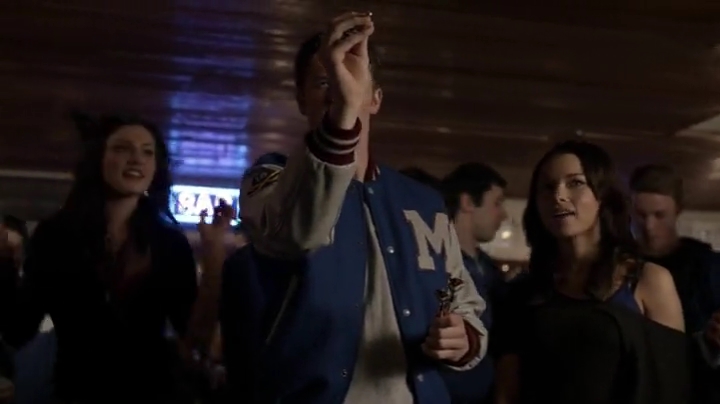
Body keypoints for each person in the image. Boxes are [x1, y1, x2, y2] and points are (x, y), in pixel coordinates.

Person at [220, 12, 487, 404]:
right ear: (301, 99)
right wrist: (342, 117)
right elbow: (296, 232)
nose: (337, 92)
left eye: (351, 79)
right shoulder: (271, 181)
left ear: (375, 98)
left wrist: (462, 339)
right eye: (323, 82)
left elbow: (464, 300)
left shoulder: (424, 202)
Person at [0, 114, 207, 402]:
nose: (136, 159)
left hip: (151, 392)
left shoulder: (169, 244)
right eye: (122, 148)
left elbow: (193, 334)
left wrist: (215, 255)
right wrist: (5, 265)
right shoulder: (57, 236)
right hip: (77, 390)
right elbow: (19, 329)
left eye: (147, 152)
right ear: (98, 158)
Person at [494, 140, 685, 404]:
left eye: (575, 183)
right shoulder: (524, 292)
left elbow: (673, 384)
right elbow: (507, 392)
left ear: (602, 196)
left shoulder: (648, 281)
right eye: (547, 187)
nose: (558, 196)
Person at [629, 164, 720, 403]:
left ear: (677, 211)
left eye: (660, 215)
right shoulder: (616, 265)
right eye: (641, 215)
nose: (649, 226)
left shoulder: (708, 267)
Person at [438, 162, 508, 403]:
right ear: (467, 202)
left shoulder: (488, 268)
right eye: (497, 203)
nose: (503, 214)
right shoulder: (438, 265)